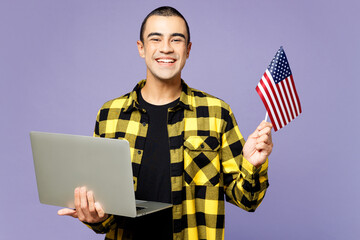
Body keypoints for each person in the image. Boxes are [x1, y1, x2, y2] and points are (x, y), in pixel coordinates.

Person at [58, 6, 273, 240]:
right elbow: (105, 214)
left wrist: (253, 164)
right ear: (141, 48)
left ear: (188, 50)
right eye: (156, 38)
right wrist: (95, 216)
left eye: (176, 39)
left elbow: (247, 200)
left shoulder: (217, 113)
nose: (166, 48)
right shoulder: (110, 115)